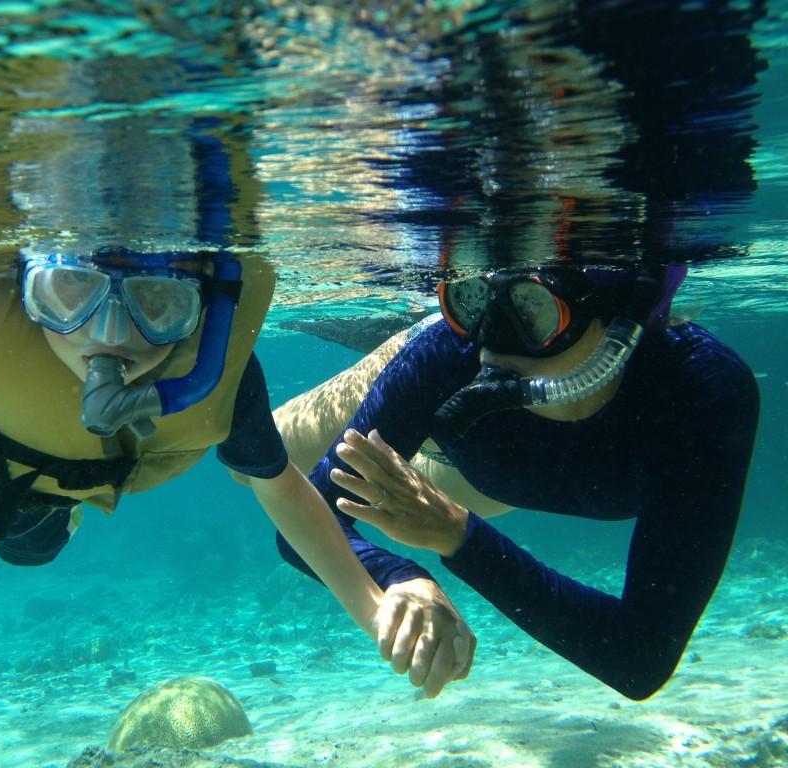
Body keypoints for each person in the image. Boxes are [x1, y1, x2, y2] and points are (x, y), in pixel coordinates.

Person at [0, 251, 476, 699]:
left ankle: (57, 498)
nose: (109, 336)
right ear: (26, 288)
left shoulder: (219, 379)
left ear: (202, 308)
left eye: (159, 303)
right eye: (71, 290)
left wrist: (370, 604)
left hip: (19, 437)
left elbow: (280, 483)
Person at [271, 261, 759, 700]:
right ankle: (408, 330)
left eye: (533, 307)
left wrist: (458, 537)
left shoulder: (700, 391)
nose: (490, 343)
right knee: (256, 463)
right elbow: (298, 528)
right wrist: (398, 577)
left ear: (621, 313)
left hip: (486, 483)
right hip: (461, 445)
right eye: (475, 300)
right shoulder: (448, 353)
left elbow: (640, 659)